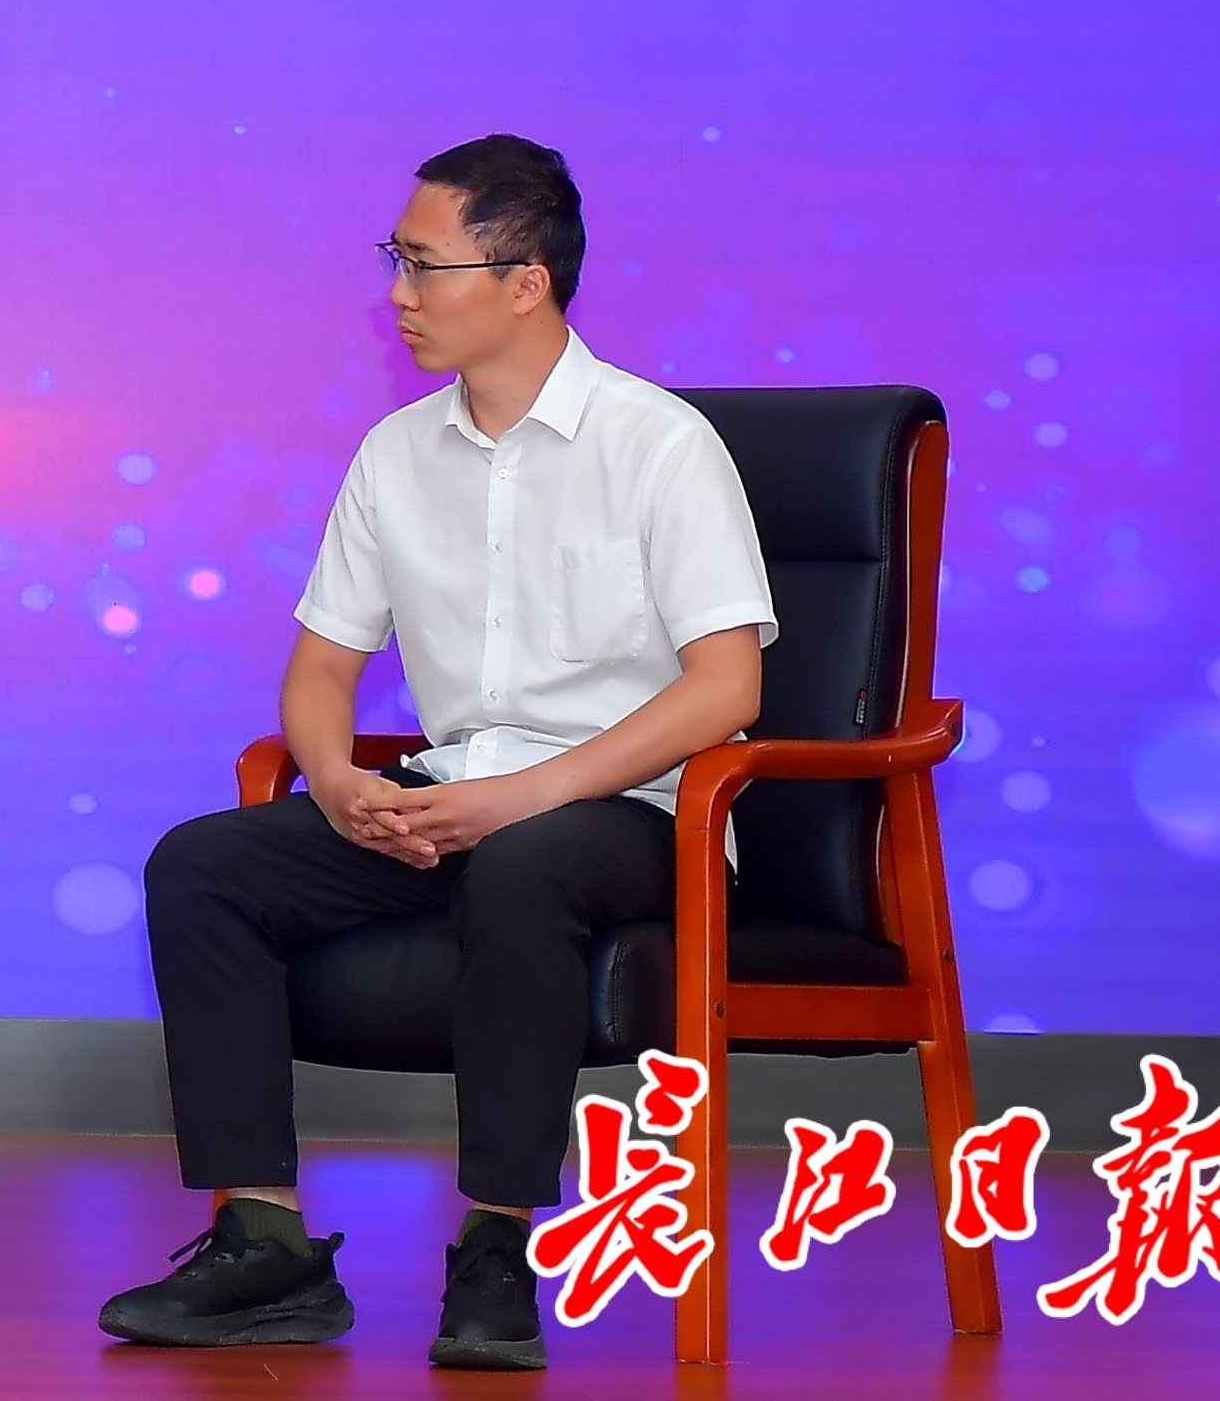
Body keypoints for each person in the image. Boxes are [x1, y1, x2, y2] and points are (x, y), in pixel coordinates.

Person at [101, 136, 774, 1374]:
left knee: (522, 864)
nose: (396, 295)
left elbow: (726, 687)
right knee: (202, 865)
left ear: (523, 282)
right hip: (447, 795)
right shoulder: (394, 454)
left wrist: (518, 797)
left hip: (628, 809)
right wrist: (338, 782)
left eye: (422, 265)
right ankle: (265, 1244)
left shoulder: (657, 443)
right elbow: (320, 671)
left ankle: (494, 1245)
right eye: (393, 262)